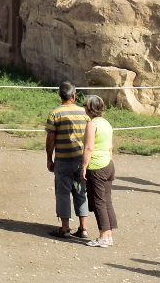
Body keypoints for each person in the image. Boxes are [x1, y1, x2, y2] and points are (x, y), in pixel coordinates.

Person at [45, 81, 92, 240]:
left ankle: (65, 228)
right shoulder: (84, 113)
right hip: (80, 160)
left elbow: (50, 139)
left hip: (62, 159)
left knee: (62, 192)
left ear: (60, 95)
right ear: (74, 95)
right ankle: (83, 228)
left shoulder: (55, 113)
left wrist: (49, 158)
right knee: (81, 192)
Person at [82, 94, 118, 248]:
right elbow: (110, 147)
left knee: (99, 202)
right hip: (108, 164)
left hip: (97, 166)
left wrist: (84, 166)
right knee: (106, 201)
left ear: (89, 108)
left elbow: (89, 147)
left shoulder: (92, 124)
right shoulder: (106, 123)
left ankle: (103, 235)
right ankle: (108, 235)